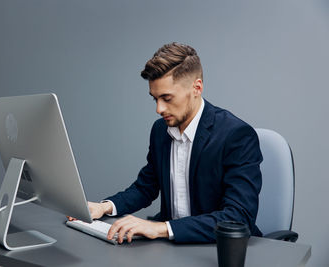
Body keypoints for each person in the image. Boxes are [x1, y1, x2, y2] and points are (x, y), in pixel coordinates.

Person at [70, 42, 263, 244]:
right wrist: (104, 207)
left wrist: (161, 228)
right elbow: (146, 187)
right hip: (172, 247)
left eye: (167, 98)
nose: (159, 109)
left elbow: (238, 218)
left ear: (197, 88)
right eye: (155, 99)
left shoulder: (237, 136)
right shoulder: (160, 130)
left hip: (220, 249)